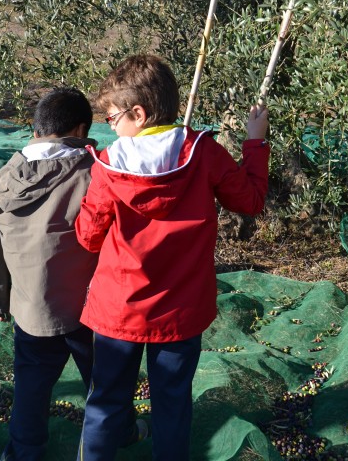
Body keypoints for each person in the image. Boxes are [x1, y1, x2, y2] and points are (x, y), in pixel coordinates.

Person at [75, 54, 270, 461]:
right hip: (181, 310)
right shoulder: (204, 152)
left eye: (112, 118)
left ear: (138, 114)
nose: (110, 128)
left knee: (106, 402)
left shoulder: (109, 165)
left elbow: (89, 238)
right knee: (173, 403)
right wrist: (256, 141)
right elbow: (250, 201)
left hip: (119, 308)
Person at [0, 87, 100, 461]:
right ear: (81, 131)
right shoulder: (93, 174)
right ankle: (120, 432)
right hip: (89, 308)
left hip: (32, 310)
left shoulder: (4, 178)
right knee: (103, 382)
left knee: (31, 386)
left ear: (35, 130)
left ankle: (24, 452)